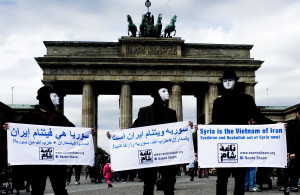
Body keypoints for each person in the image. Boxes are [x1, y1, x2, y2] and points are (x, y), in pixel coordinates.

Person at [107, 86, 193, 195]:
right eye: (163, 91)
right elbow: (134, 129)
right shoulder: (144, 111)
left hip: (167, 154)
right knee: (148, 186)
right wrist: (116, 136)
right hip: (149, 155)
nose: (167, 93)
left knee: (169, 186)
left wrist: (186, 126)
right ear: (156, 94)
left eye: (167, 91)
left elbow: (176, 132)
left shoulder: (171, 113)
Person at [210, 69, 274, 195]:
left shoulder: (247, 99)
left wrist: (275, 124)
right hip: (224, 146)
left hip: (241, 145)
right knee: (222, 179)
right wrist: (201, 128)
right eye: (225, 81)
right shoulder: (217, 102)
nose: (227, 83)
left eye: (230, 80)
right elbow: (215, 124)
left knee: (239, 179)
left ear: (235, 82)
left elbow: (258, 117)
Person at [3, 86, 75, 195]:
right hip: (37, 162)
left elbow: (73, 132)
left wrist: (87, 134)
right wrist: (9, 128)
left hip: (56, 161)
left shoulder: (59, 117)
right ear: (46, 98)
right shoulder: (30, 117)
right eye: (54, 96)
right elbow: (18, 131)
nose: (58, 98)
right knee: (37, 189)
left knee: (60, 189)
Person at [282, 106, 300, 194]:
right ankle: (286, 185)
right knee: (290, 169)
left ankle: (295, 185)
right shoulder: (292, 123)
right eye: (299, 113)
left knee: (297, 169)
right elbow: (289, 138)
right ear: (296, 114)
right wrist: (291, 152)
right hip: (294, 150)